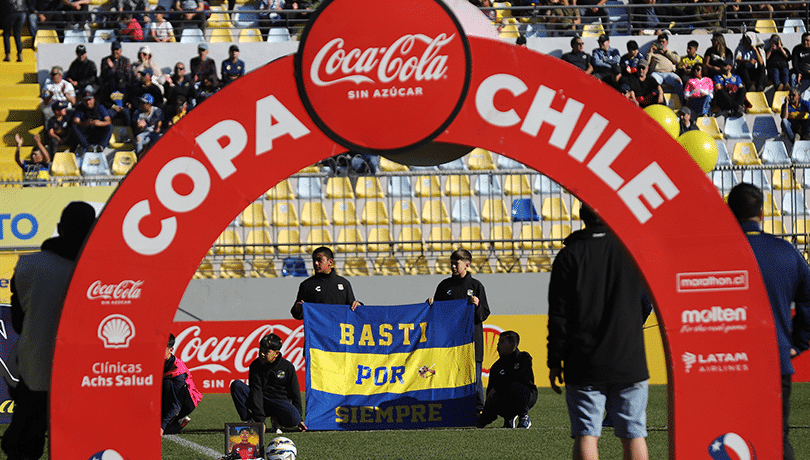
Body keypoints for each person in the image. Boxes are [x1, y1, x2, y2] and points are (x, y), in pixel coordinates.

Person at [547, 204, 650, 460]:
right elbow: (646, 303)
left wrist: (554, 361)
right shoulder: (631, 251)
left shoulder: (569, 255)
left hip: (583, 361)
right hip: (629, 358)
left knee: (586, 434)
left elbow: (558, 316)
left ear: (581, 216)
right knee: (634, 434)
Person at [1, 201, 96, 460]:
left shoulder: (29, 265)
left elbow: (19, 321)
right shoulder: (102, 268)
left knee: (23, 445)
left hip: (37, 370)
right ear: (94, 230)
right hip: (89, 376)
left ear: (59, 229)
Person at [726, 183, 810, 460]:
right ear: (762, 214)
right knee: (777, 437)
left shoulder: (717, 254)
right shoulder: (786, 252)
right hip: (775, 360)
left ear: (728, 213)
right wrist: (798, 343)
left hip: (730, 364)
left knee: (734, 439)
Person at [428, 249, 490, 412]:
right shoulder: (444, 286)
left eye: (457, 263)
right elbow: (437, 315)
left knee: (474, 379)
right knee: (449, 377)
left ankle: (479, 410)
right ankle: (451, 410)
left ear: (467, 265)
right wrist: (431, 305)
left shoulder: (476, 286)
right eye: (452, 263)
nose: (453, 266)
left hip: (472, 341)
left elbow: (484, 314)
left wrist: (477, 306)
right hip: (450, 342)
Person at [229, 333, 307, 433]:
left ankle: (277, 420)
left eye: (266, 352)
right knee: (237, 386)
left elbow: (295, 393)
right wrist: (259, 421)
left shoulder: (288, 367)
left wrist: (299, 419)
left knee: (294, 420)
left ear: (276, 354)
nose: (262, 354)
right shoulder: (255, 365)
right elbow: (256, 392)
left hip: (280, 401)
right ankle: (249, 421)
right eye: (261, 350)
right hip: (262, 400)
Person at [477, 331, 536, 429]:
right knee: (493, 398)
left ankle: (524, 417)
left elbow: (522, 378)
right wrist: (482, 421)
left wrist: (499, 387)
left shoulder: (523, 358)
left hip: (527, 395)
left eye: (501, 342)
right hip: (507, 399)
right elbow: (490, 394)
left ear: (512, 345)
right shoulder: (496, 367)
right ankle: (509, 417)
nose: (497, 345)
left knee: (515, 387)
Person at [290, 246, 360, 320]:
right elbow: (296, 314)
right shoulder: (306, 285)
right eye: (314, 260)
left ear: (330, 262)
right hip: (317, 331)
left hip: (339, 329)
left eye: (319, 260)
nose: (316, 263)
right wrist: (298, 308)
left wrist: (359, 305)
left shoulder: (344, 283)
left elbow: (353, 308)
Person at [162, 333, 203, 435]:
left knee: (165, 383)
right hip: (169, 399)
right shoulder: (156, 362)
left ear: (171, 350)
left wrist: (161, 426)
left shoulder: (179, 372)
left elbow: (176, 405)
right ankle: (178, 421)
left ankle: (179, 418)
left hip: (186, 402)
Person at [71, 90, 113, 157]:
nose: (88, 102)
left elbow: (108, 121)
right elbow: (76, 121)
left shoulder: (100, 107)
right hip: (85, 134)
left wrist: (100, 123)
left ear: (93, 99)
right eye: (85, 100)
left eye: (89, 100)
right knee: (74, 127)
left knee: (110, 127)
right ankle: (87, 147)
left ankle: (101, 146)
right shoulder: (79, 108)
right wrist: (85, 123)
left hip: (98, 132)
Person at [647, 33, 683, 104]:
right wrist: (650, 52)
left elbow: (678, 60)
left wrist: (666, 52)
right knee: (652, 80)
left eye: (663, 42)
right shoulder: (654, 53)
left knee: (678, 81)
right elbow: (647, 63)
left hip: (669, 74)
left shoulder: (671, 52)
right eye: (659, 42)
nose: (661, 44)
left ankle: (680, 103)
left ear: (667, 43)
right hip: (657, 73)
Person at [133, 93, 163, 158]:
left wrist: (158, 128)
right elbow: (138, 129)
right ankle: (139, 157)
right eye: (140, 102)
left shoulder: (156, 110)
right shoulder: (138, 113)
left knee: (160, 137)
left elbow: (159, 121)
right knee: (138, 138)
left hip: (154, 132)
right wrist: (140, 127)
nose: (141, 104)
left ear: (149, 104)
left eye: (143, 103)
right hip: (144, 133)